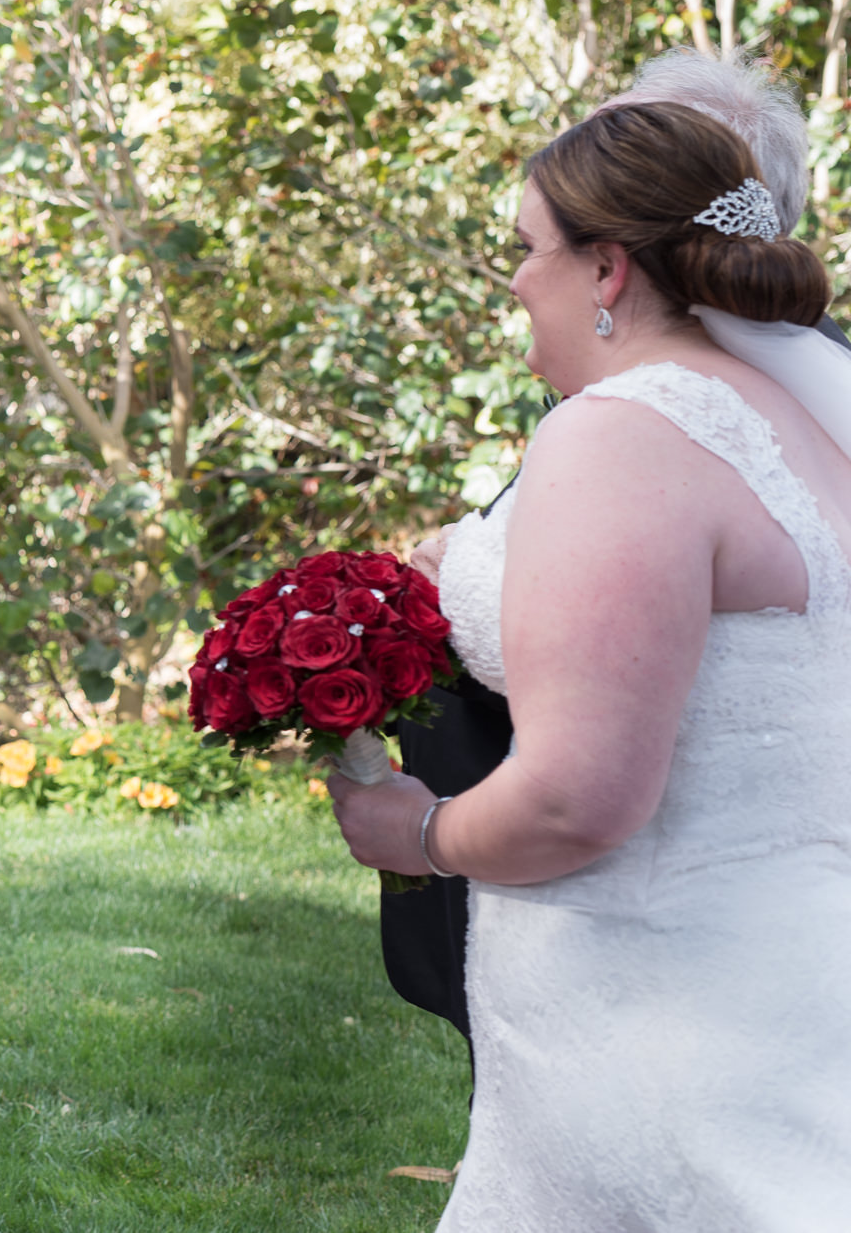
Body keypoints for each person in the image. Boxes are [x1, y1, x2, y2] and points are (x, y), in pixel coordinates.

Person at [331, 100, 851, 1226]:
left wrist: (413, 832)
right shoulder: (807, 422)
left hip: (655, 1019)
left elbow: (579, 795)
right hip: (798, 981)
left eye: (527, 248)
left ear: (607, 269)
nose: (515, 281)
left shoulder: (623, 429)